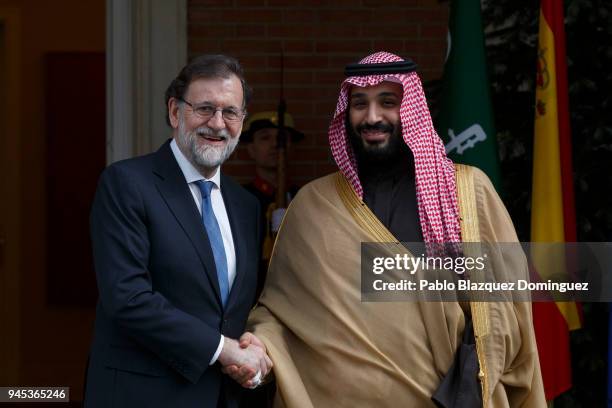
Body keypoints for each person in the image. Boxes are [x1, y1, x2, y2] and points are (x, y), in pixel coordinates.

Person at [228, 52, 546, 407]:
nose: (372, 117)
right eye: (360, 104)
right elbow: (280, 313)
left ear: (412, 110)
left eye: (388, 102)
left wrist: (465, 389)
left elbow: (503, 307)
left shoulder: (466, 193)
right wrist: (260, 344)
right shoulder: (313, 205)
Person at [84, 54, 271, 408]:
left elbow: (235, 309)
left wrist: (255, 344)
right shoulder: (126, 184)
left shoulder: (246, 205)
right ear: (174, 111)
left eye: (230, 112)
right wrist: (222, 349)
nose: (217, 124)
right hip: (142, 397)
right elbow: (128, 297)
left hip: (223, 397)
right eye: (204, 108)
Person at [241, 111, 303, 298]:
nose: (275, 145)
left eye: (282, 138)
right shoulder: (239, 199)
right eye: (265, 138)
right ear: (251, 149)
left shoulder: (306, 197)